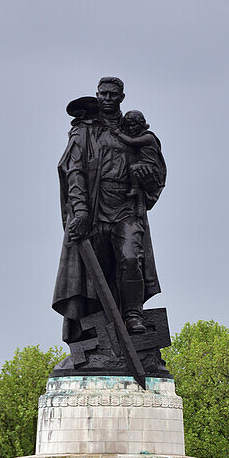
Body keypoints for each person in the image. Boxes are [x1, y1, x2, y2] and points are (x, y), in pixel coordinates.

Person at [52, 77, 166, 349]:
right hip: (93, 211)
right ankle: (95, 332)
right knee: (96, 273)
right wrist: (79, 211)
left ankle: (133, 315)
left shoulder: (134, 131)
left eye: (112, 94)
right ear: (97, 95)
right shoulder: (84, 131)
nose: (107, 98)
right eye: (102, 94)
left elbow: (157, 170)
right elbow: (73, 172)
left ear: (122, 97)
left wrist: (147, 177)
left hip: (126, 207)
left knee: (130, 258)